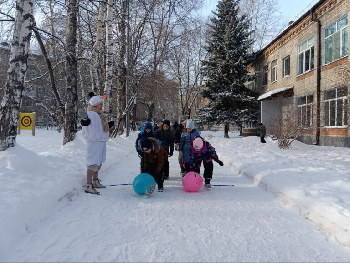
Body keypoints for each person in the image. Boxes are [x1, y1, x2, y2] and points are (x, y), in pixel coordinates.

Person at [81, 95, 114, 195]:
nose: (102, 106)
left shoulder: (99, 114)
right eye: (100, 104)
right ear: (95, 104)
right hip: (94, 142)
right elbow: (86, 123)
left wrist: (109, 124)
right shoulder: (90, 114)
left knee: (98, 162)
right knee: (92, 163)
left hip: (101, 142)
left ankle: (95, 181)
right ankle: (88, 185)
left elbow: (99, 127)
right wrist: (85, 120)